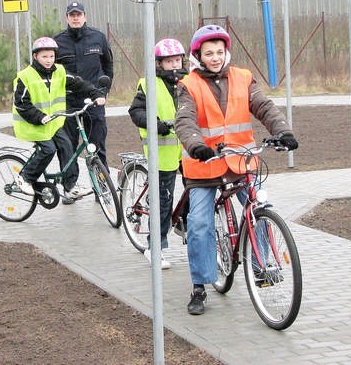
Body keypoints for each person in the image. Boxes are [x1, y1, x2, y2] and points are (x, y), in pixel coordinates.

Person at [174, 24, 299, 315]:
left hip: (242, 159)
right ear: (198, 56)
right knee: (201, 223)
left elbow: (265, 107)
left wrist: (284, 131)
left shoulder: (244, 78)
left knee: (261, 209)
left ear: (226, 52)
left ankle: (261, 268)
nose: (215, 57)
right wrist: (196, 146)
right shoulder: (188, 86)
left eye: (219, 51)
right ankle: (199, 285)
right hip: (204, 164)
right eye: (209, 53)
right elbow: (185, 121)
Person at [13, 36, 106, 205]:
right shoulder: (26, 76)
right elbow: (21, 104)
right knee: (48, 149)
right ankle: (25, 178)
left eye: (51, 56)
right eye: (44, 57)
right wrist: (39, 117)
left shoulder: (59, 72)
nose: (49, 60)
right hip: (33, 125)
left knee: (67, 146)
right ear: (35, 57)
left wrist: (96, 93)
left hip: (53, 123)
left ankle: (69, 188)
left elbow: (79, 84)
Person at [128, 38, 188, 270]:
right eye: (168, 61)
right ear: (159, 63)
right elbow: (136, 111)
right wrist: (155, 124)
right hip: (162, 151)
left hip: (189, 150)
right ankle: (156, 247)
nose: (174, 65)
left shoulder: (190, 82)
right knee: (164, 201)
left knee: (199, 190)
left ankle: (184, 225)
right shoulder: (148, 83)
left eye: (177, 60)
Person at [54, 1, 114, 170]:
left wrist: (103, 92)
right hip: (68, 102)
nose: (75, 18)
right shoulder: (58, 41)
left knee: (97, 147)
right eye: (72, 15)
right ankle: (70, 187)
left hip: (94, 101)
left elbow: (108, 67)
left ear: (84, 16)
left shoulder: (99, 38)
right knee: (67, 148)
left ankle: (102, 189)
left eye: (78, 14)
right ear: (67, 18)